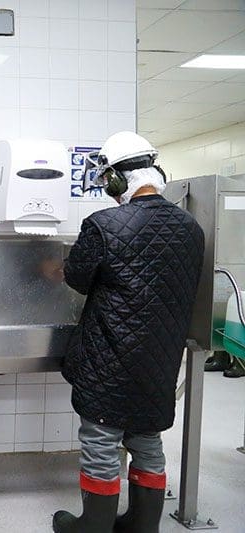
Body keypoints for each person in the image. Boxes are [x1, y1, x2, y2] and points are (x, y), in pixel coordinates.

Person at [54, 131, 205, 533]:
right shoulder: (191, 229)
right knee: (147, 441)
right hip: (160, 360)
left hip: (110, 360)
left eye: (107, 180)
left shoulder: (104, 224)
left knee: (102, 443)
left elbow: (78, 278)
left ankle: (94, 526)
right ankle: (142, 525)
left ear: (118, 180)